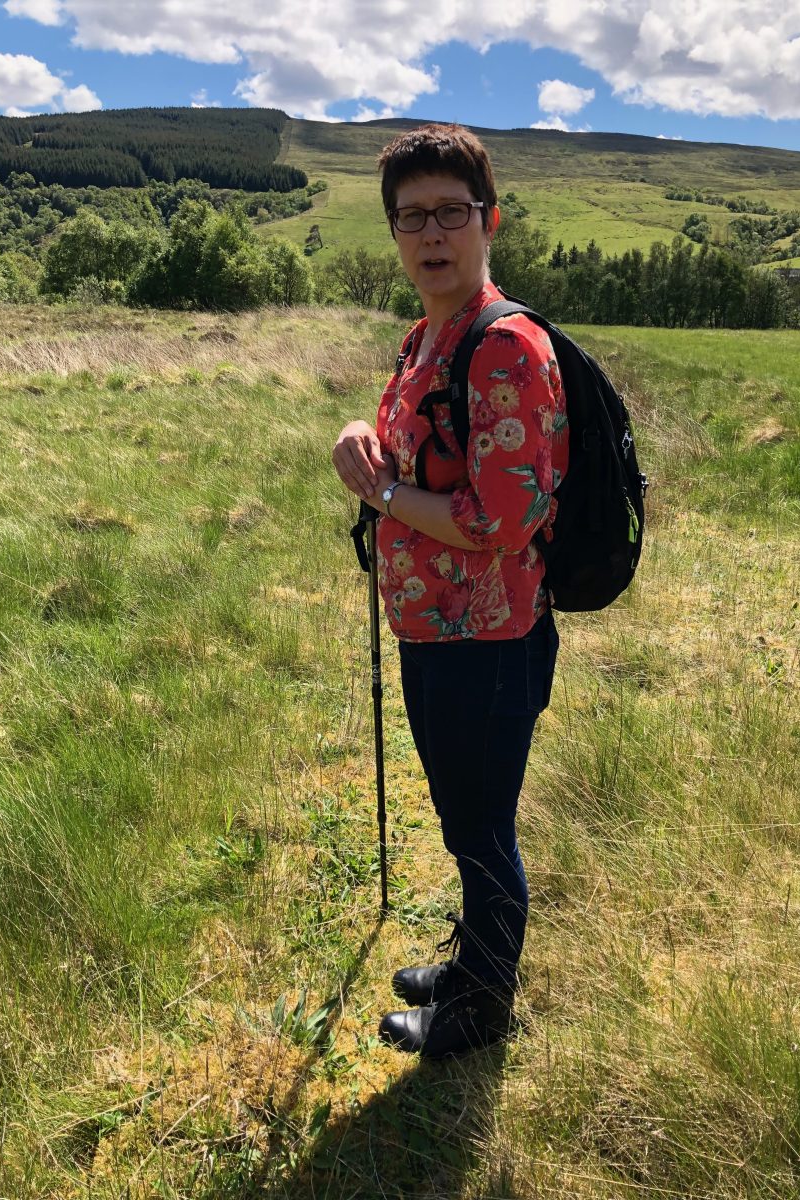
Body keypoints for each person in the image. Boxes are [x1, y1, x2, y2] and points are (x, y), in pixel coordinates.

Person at [332, 123, 569, 1057]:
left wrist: (385, 497)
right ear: (394, 230)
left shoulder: (505, 346)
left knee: (479, 825)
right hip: (433, 627)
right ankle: (474, 961)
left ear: (489, 220)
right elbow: (403, 444)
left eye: (451, 212)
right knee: (463, 813)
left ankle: (480, 1007)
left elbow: (498, 518)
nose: (431, 233)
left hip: (490, 637)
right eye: (411, 216)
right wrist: (361, 437)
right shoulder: (425, 337)